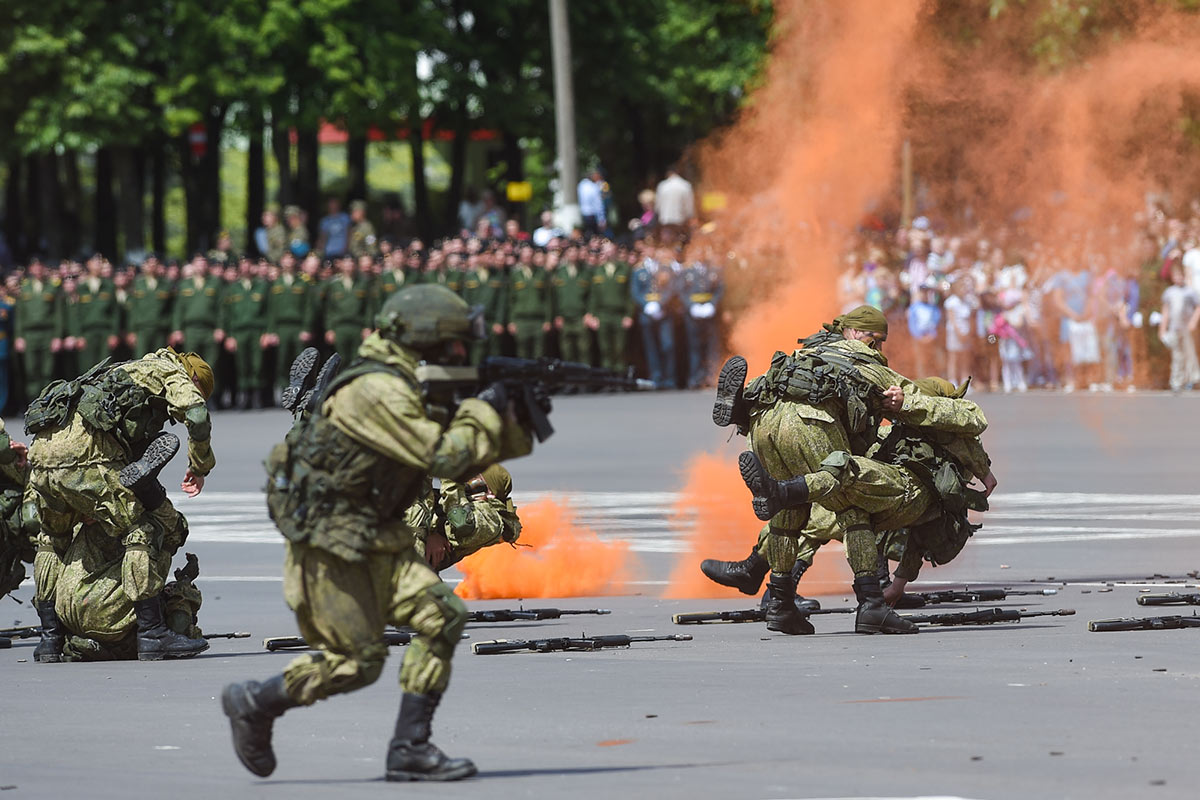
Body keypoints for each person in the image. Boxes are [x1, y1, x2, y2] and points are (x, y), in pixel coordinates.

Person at [222, 284, 535, 782]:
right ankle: (256, 702)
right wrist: (489, 411)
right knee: (357, 663)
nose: (458, 353)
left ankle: (410, 746)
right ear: (423, 339)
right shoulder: (380, 390)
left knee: (441, 615)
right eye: (451, 343)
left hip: (376, 534)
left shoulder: (400, 379)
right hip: (334, 544)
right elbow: (445, 458)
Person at [713, 306, 986, 635]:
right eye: (877, 339)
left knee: (790, 513)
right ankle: (871, 605)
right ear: (857, 335)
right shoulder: (868, 365)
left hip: (764, 423)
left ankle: (780, 603)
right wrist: (908, 405)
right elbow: (944, 409)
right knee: (852, 501)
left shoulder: (809, 352)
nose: (880, 348)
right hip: (811, 424)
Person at [25, 348, 216, 662]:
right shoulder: (169, 371)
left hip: (43, 457)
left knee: (51, 540)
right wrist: (199, 465)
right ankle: (152, 634)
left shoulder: (119, 370)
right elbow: (195, 414)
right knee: (141, 530)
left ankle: (49, 640)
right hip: (90, 459)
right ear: (193, 376)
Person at [410, 465, 522, 572]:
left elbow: (460, 521)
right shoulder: (461, 502)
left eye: (475, 482)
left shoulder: (491, 520)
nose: (467, 483)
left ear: (490, 494)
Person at [220, 259, 268, 409]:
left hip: (257, 331)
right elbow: (226, 314)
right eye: (243, 264)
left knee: (257, 364)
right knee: (242, 364)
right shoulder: (233, 288)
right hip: (239, 331)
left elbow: (269, 311)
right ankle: (245, 396)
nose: (246, 267)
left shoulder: (262, 286)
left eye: (249, 263)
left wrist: (267, 332)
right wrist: (229, 335)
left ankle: (257, 396)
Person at [15, 258, 64, 404]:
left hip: (47, 333)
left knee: (47, 370)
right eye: (34, 266)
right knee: (31, 370)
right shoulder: (25, 288)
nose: (38, 269)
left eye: (40, 266)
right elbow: (20, 314)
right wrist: (19, 336)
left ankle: (46, 401)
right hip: (29, 334)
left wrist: (57, 336)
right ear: (30, 269)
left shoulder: (52, 287)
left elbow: (58, 314)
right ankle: (33, 401)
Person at [585, 241, 634, 373]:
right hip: (603, 315)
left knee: (620, 348)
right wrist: (591, 314)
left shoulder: (625, 268)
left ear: (615, 250)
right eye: (605, 249)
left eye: (610, 249)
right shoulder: (598, 270)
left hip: (619, 315)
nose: (608, 252)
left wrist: (629, 315)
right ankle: (608, 377)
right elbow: (593, 296)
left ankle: (620, 377)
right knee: (605, 349)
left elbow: (630, 295)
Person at [74, 254, 121, 372]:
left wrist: (114, 334)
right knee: (87, 368)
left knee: (106, 368)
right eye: (95, 262)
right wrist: (78, 335)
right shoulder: (81, 287)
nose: (98, 265)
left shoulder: (109, 286)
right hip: (87, 333)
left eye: (100, 262)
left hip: (105, 332)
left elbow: (115, 312)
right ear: (88, 264)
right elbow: (76, 313)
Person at [1159, 263, 1200, 392]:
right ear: (1172, 277)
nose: (1179, 278)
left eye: (1181, 275)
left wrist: (1193, 322)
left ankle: (1192, 380)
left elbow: (1198, 307)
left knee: (1190, 354)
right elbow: (1165, 312)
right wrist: (1162, 330)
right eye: (1176, 276)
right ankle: (1177, 381)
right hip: (1174, 327)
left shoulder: (1190, 291)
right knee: (1177, 355)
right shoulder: (1169, 292)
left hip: (1187, 327)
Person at [127, 255, 174, 356]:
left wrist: (172, 331)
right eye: (149, 264)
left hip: (160, 329)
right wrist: (131, 331)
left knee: (159, 360)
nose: (152, 267)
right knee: (140, 360)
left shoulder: (166, 284)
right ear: (144, 266)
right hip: (142, 329)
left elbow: (172, 309)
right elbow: (133, 309)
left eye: (155, 264)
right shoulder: (137, 284)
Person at [655, 167, 695, 242]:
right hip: (679, 220)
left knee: (667, 242)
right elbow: (689, 207)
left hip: (665, 220)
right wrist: (689, 217)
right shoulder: (685, 185)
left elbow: (658, 207)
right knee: (679, 241)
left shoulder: (662, 186)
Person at [577, 168, 607, 237]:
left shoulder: (581, 185)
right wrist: (602, 219)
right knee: (597, 237)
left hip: (584, 215)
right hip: (593, 216)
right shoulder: (594, 187)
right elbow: (598, 204)